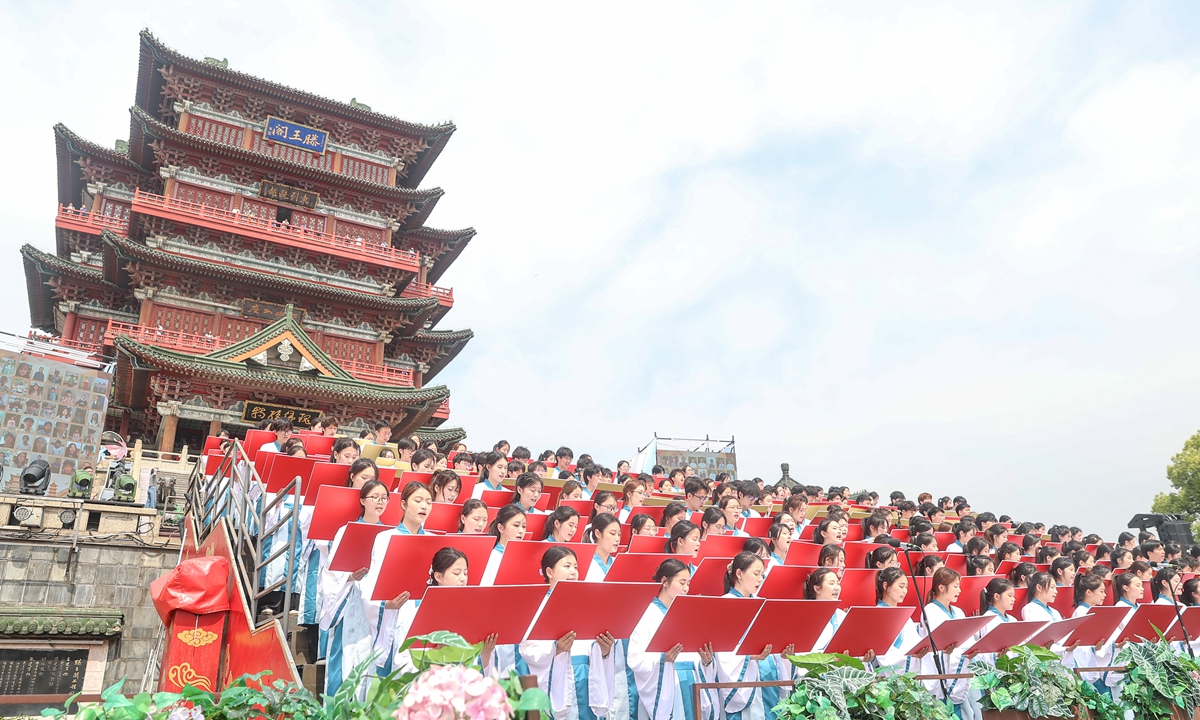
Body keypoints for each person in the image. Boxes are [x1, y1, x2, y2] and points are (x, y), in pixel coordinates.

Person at [519, 547, 620, 720]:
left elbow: (597, 641)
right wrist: (555, 649)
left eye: (575, 566)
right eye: (567, 566)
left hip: (589, 678)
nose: (573, 572)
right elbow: (528, 649)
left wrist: (604, 650)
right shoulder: (536, 605)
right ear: (549, 571)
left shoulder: (588, 601)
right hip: (558, 678)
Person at [317, 480, 390, 697]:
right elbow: (331, 570)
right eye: (374, 497)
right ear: (362, 501)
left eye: (384, 497)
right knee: (346, 655)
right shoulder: (345, 531)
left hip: (377, 604)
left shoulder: (390, 534)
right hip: (349, 598)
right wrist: (349, 576)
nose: (380, 501)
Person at [627, 559, 719, 720]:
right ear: (664, 581)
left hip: (692, 680)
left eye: (688, 583)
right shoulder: (646, 614)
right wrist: (663, 658)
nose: (686, 588)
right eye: (682, 582)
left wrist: (705, 661)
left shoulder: (687, 613)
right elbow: (635, 658)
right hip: (666, 684)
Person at [713, 553, 790, 720]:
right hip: (746, 675)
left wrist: (782, 652)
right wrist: (751, 656)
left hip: (769, 671)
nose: (760, 579)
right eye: (756, 574)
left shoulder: (763, 602)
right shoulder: (724, 603)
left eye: (762, 574)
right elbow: (721, 650)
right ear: (739, 573)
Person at [873, 568, 922, 673]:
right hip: (885, 675)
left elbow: (915, 642)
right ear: (886, 586)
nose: (905, 591)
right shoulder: (876, 615)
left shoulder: (905, 615)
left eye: (906, 587)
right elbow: (883, 653)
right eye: (901, 586)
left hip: (908, 667)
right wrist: (910, 657)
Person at [481, 505, 528, 585]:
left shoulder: (526, 558)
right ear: (501, 528)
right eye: (516, 525)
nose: (521, 531)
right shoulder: (491, 558)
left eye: (523, 526)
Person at [584, 513, 620, 581]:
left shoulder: (618, 562)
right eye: (612, 533)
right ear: (598, 533)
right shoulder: (585, 564)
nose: (617, 538)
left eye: (619, 534)